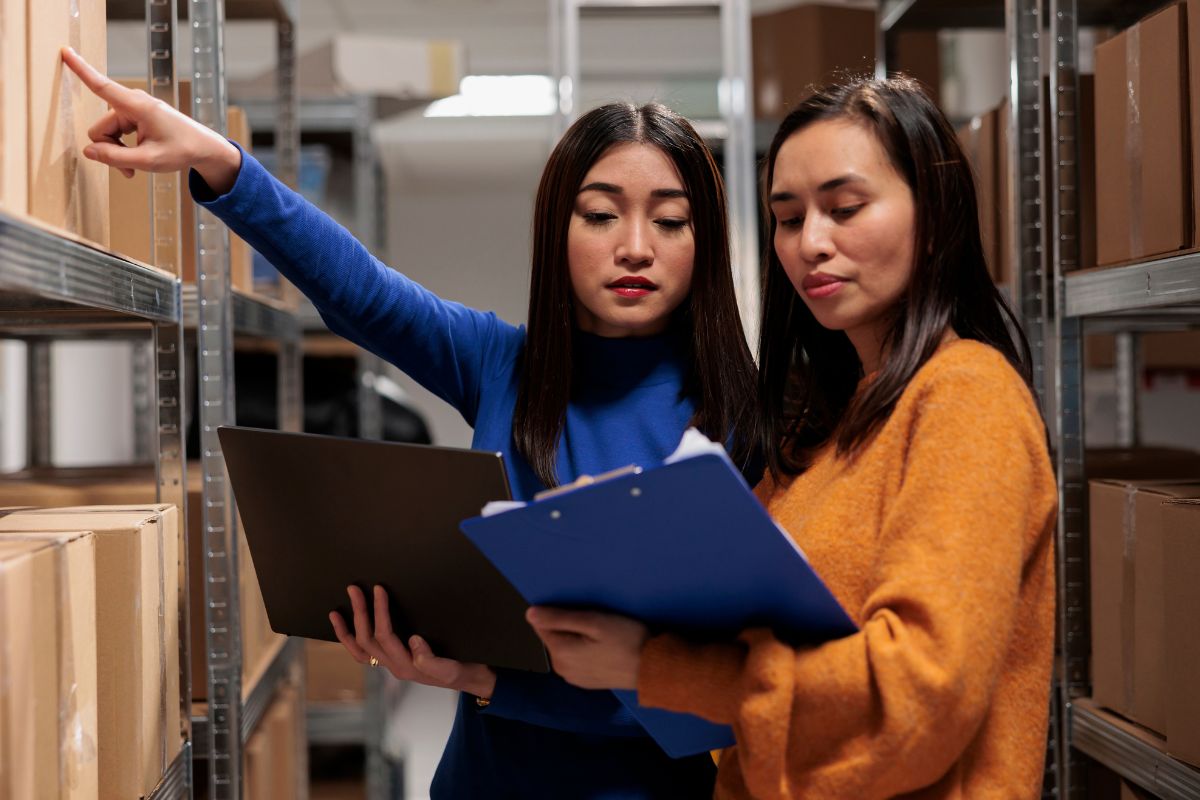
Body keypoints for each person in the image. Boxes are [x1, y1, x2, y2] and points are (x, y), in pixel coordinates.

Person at [62, 45, 758, 798]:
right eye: (600, 214)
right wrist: (220, 161)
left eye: (671, 221)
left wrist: (486, 680)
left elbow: (734, 695)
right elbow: (361, 290)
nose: (634, 247)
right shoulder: (502, 364)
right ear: (558, 229)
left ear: (704, 242)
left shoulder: (745, 419)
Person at [526, 76, 1058, 799]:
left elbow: (916, 694)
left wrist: (653, 666)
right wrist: (622, 550)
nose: (810, 243)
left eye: (845, 208)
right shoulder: (825, 422)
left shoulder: (967, 398)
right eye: (786, 217)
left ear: (934, 218)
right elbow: (744, 621)